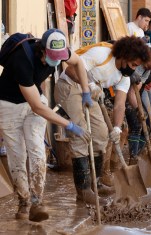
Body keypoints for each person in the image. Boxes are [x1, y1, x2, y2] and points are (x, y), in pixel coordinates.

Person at [0, 28, 90, 222]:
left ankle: (37, 201)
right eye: (53, 57)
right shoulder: (22, 60)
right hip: (9, 106)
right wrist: (69, 125)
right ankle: (23, 200)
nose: (57, 61)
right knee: (17, 155)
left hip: (34, 101)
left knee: (37, 150)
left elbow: (78, 63)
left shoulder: (61, 53)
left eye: (60, 57)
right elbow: (38, 107)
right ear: (42, 50)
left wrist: (86, 90)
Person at [54, 36, 151, 204]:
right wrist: (89, 85)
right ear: (124, 56)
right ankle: (83, 191)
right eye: (133, 64)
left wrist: (117, 128)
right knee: (82, 134)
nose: (134, 69)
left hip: (92, 94)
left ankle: (96, 183)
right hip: (70, 86)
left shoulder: (124, 77)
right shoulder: (102, 54)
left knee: (101, 135)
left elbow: (119, 105)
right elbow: (70, 69)